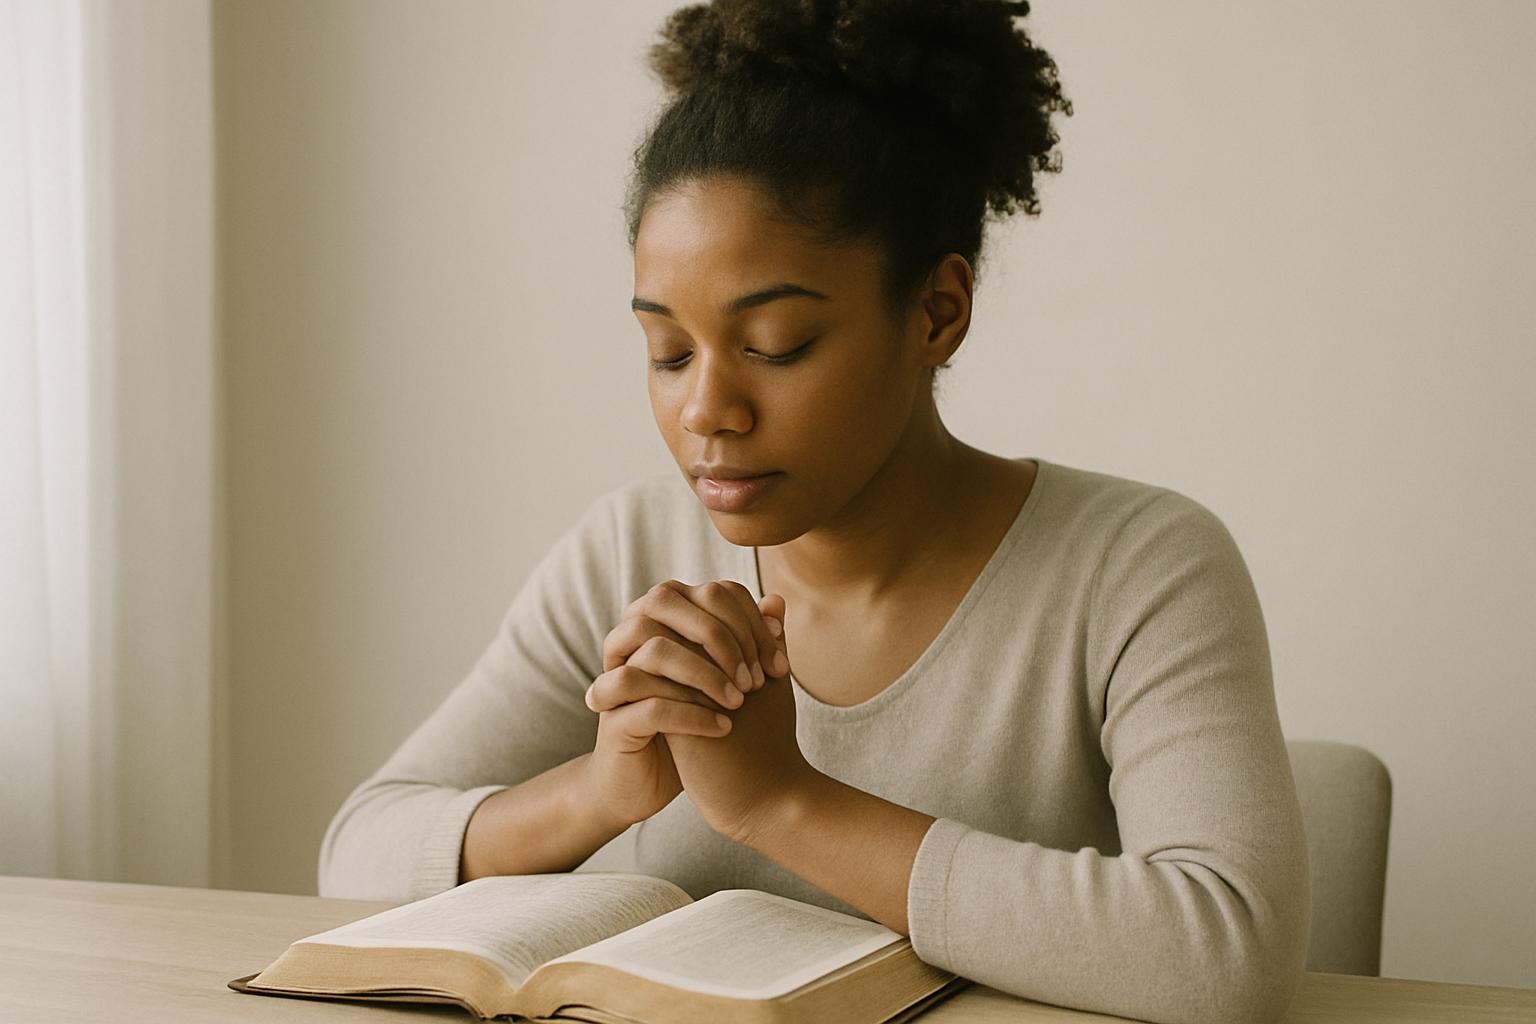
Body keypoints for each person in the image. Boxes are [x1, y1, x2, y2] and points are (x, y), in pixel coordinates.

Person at [318, 2, 1312, 1022]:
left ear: (936, 312)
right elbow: (356, 853)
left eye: (777, 343)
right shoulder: (629, 549)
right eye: (667, 351)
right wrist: (602, 791)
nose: (707, 408)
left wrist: (781, 802)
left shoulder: (1139, 569)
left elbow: (1229, 952)